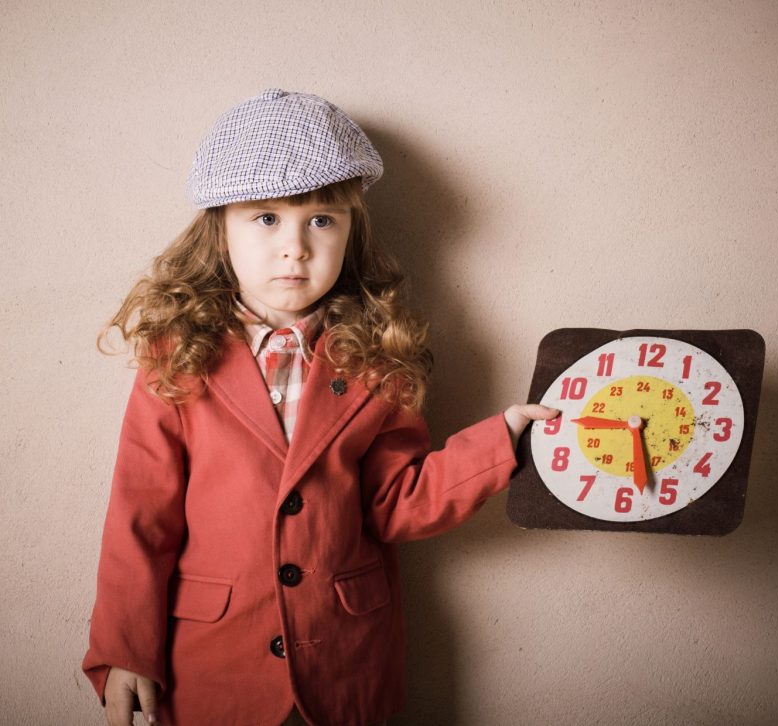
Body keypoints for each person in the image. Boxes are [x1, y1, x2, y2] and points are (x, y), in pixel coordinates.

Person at [81, 88, 559, 726]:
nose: (295, 246)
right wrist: (124, 650)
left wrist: (501, 440)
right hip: (212, 664)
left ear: (351, 233)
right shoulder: (177, 356)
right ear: (219, 231)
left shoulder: (377, 359)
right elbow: (140, 517)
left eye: (321, 220)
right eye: (265, 218)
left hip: (345, 662)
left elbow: (397, 503)